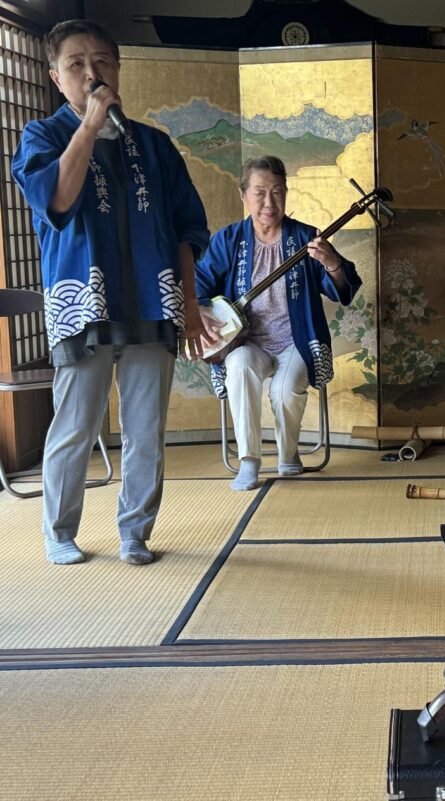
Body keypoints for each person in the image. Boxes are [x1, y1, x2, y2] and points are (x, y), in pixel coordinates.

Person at [12, 20, 212, 566]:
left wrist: (190, 307)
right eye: (76, 64)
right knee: (75, 424)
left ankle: (135, 531)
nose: (92, 73)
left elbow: (187, 230)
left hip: (153, 302)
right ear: (56, 77)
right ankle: (59, 531)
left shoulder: (154, 144)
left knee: (146, 429)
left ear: (119, 69)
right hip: (84, 306)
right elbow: (55, 200)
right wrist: (89, 126)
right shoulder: (42, 137)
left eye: (102, 62)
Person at [194, 155, 361, 491]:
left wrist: (332, 264)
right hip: (247, 341)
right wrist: (200, 313)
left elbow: (343, 287)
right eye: (259, 193)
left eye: (277, 192)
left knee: (284, 390)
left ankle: (289, 455)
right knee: (238, 367)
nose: (269, 203)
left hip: (294, 340)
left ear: (286, 194)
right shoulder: (230, 240)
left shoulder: (304, 237)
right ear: (244, 196)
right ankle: (249, 460)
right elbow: (199, 285)